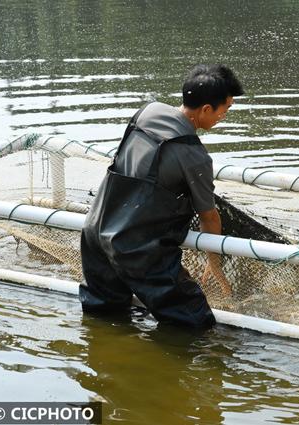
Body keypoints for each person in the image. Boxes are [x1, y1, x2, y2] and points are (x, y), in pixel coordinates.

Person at [79, 64, 244, 329]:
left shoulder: (147, 112)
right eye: (224, 112)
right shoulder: (194, 156)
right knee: (194, 322)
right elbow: (209, 217)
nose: (222, 118)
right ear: (205, 110)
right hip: (136, 249)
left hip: (95, 234)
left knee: (103, 320)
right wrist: (214, 264)